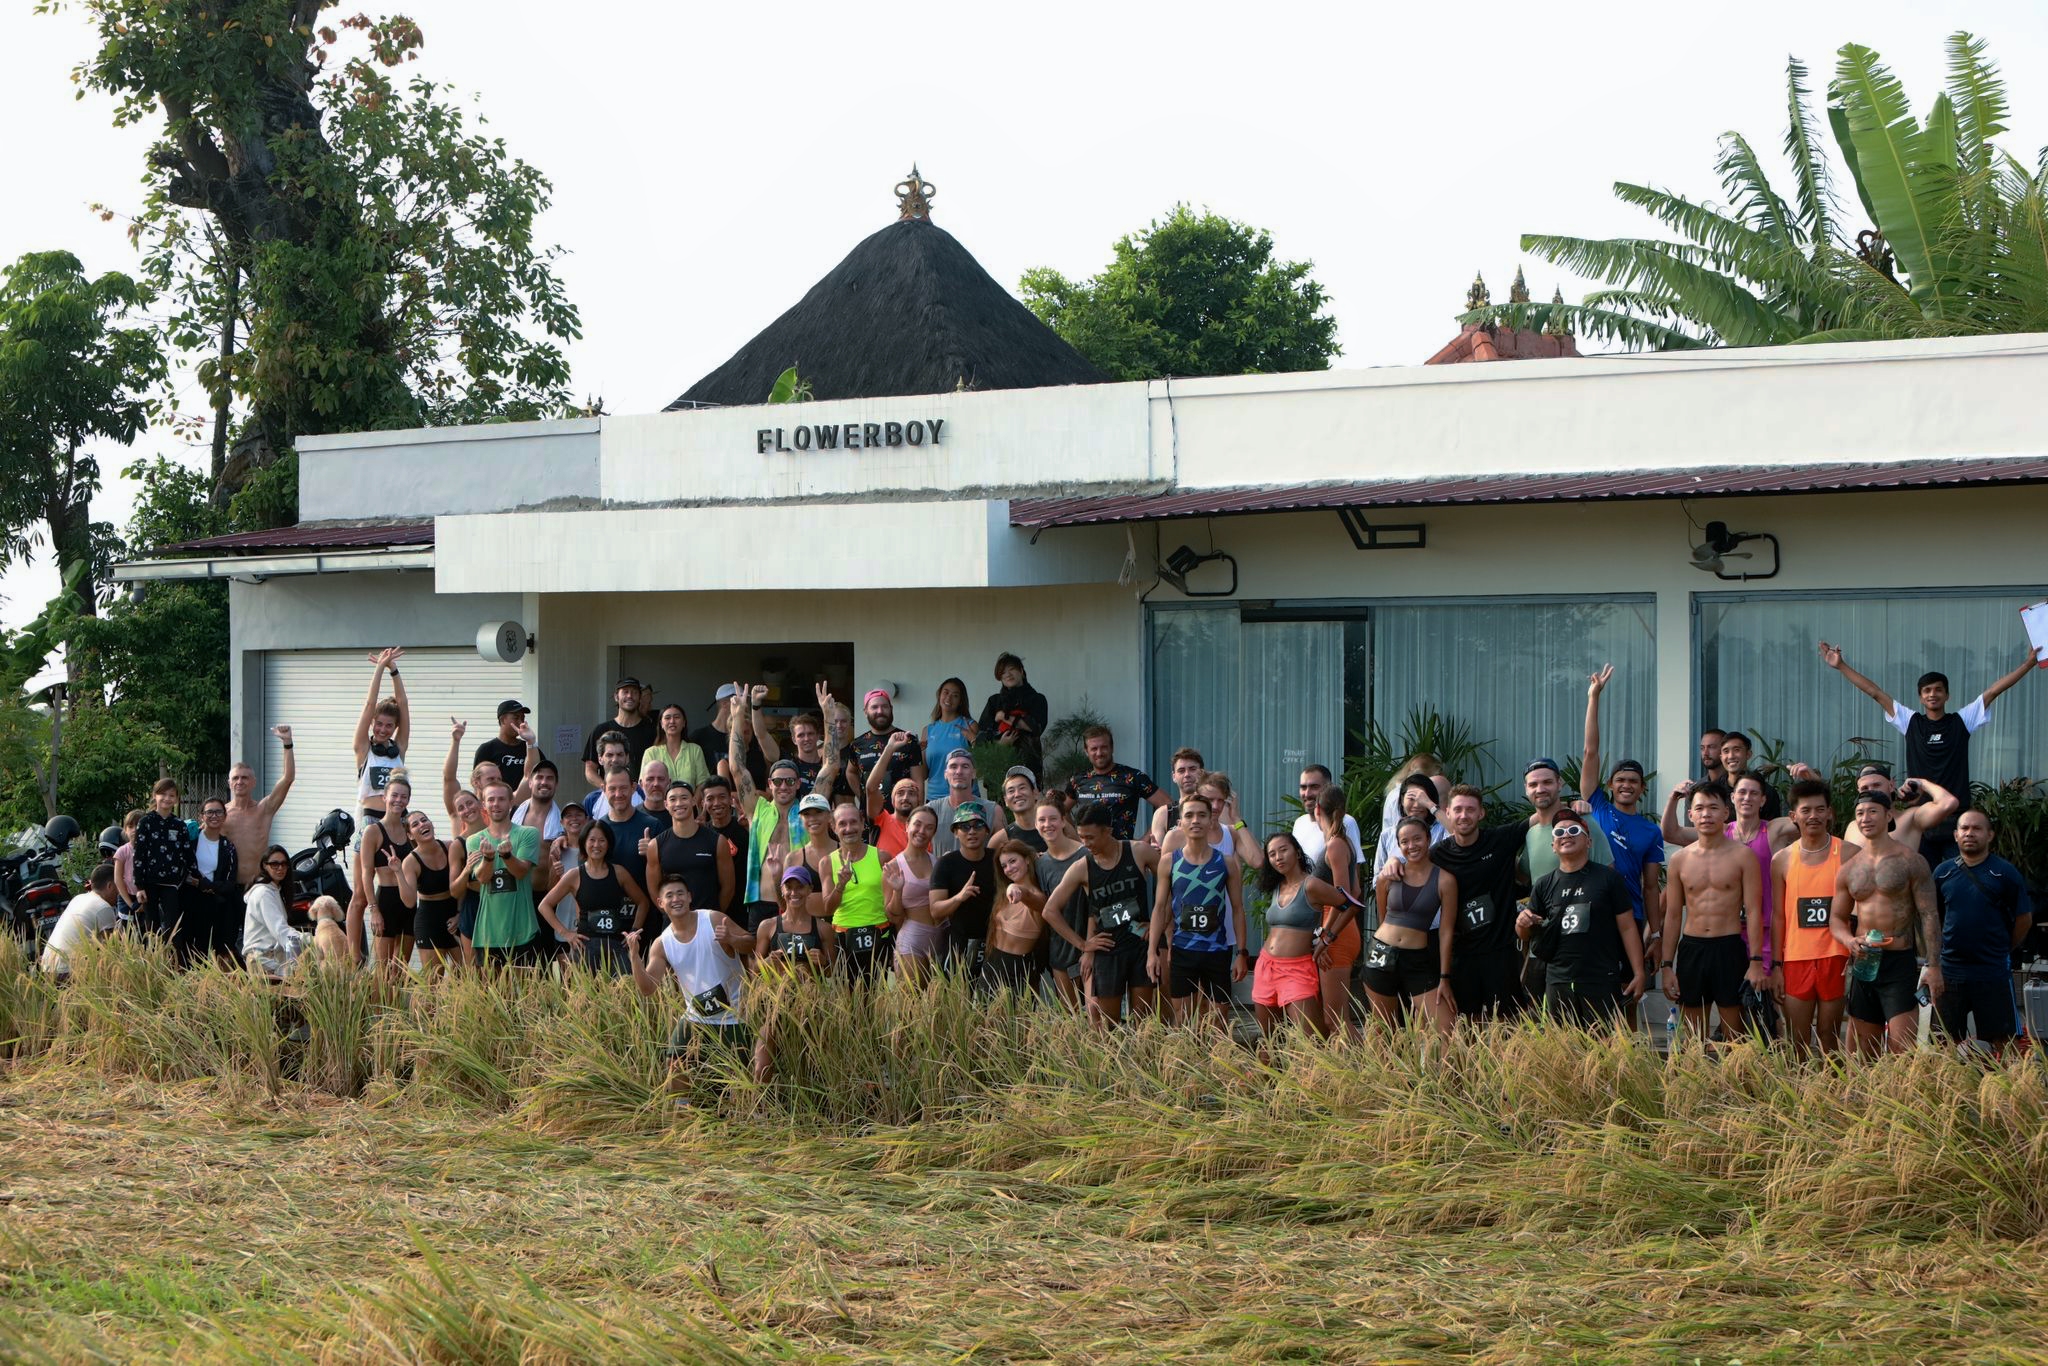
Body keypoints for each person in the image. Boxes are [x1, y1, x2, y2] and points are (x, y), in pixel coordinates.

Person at [1820, 639, 2042, 862]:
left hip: (1956, 818)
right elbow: (1875, 693)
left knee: (1956, 881)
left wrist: (2028, 663)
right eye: (1927, 690)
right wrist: (1841, 666)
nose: (1932, 694)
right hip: (1922, 819)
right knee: (1923, 882)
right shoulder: (1911, 722)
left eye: (1938, 690)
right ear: (1920, 697)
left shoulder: (1962, 721)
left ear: (1947, 695)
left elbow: (1994, 691)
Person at [1830, 789, 1938, 1056]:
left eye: (1872, 811)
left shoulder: (1911, 861)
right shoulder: (1849, 868)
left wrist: (1934, 965)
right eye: (1859, 814)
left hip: (1899, 960)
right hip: (1865, 960)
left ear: (1889, 815)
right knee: (1866, 1050)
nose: (1865, 818)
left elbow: (1929, 915)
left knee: (1903, 1048)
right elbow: (1836, 919)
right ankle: (1868, 1098)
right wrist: (1849, 940)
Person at [1663, 772, 1790, 991]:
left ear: (1763, 799)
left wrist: (1810, 781)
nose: (1747, 798)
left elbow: (1810, 818)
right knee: (1700, 1014)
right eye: (1742, 792)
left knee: (1762, 1005)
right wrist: (1673, 799)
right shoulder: (1715, 831)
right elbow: (1671, 833)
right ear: (1732, 799)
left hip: (1760, 929)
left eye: (1753, 793)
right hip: (1711, 936)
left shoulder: (1772, 831)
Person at [1660, 781, 1765, 1045]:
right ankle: (1697, 1085)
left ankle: (1734, 1086)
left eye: (1713, 808)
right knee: (1693, 1038)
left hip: (1729, 948)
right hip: (1692, 948)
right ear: (1690, 815)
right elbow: (1672, 915)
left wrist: (1755, 961)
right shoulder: (1679, 860)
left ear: (1725, 813)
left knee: (1736, 1037)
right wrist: (1666, 966)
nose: (1706, 814)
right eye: (1700, 808)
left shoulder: (1743, 856)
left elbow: (1754, 911)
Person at [1040, 802, 1163, 1027]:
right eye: (1081, 837)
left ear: (1108, 830)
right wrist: (1083, 944)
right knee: (1107, 1025)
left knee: (1145, 1024)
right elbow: (1049, 910)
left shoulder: (1138, 851)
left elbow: (1170, 889)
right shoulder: (1082, 867)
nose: (1086, 844)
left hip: (1140, 946)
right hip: (1108, 950)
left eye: (1091, 837)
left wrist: (1158, 925)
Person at [1518, 819, 1646, 1028]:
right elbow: (1526, 936)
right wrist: (1522, 923)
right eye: (1559, 832)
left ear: (1589, 842)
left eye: (1574, 830)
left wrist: (1639, 972)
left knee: (1604, 1047)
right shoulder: (1543, 884)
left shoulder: (1609, 878)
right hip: (1558, 979)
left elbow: (1627, 927)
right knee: (1565, 1049)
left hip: (1600, 977)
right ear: (1553, 846)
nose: (1566, 834)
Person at [1930, 808, 2034, 1055]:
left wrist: (2004, 948)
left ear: (1990, 835)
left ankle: (2009, 1089)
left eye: (1977, 828)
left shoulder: (2005, 873)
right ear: (1955, 835)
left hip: (1992, 970)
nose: (1970, 833)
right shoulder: (1942, 873)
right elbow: (1933, 919)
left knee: (2005, 1042)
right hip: (1950, 970)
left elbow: (2024, 919)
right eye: (1964, 828)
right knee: (1944, 1042)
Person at [1768, 779, 1853, 1058]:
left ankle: (1831, 1096)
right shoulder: (1781, 859)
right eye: (1806, 810)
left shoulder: (1850, 854)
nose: (1813, 816)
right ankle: (1799, 1098)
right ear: (1794, 816)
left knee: (1830, 1036)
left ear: (1830, 812)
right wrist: (1777, 966)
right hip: (1796, 958)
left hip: (1835, 956)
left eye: (1820, 809)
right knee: (1797, 1038)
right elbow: (1779, 916)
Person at [1147, 794, 1247, 1028]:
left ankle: (1218, 1064)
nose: (1195, 821)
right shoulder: (1169, 861)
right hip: (1183, 950)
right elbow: (1160, 908)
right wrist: (1152, 951)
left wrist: (1242, 953)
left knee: (1219, 1022)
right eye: (1189, 815)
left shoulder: (1227, 861)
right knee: (1182, 1020)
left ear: (1211, 819)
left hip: (1217, 950)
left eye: (1201, 815)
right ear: (1180, 821)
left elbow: (1238, 908)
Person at [1428, 785, 1528, 1021]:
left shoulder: (1500, 839)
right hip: (1461, 955)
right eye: (1459, 809)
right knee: (1467, 1025)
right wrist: (1392, 865)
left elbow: (1540, 817)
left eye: (1470, 810)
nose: (1464, 815)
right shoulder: (1437, 854)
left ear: (1481, 813)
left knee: (1508, 1024)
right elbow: (1411, 869)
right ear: (1448, 813)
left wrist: (1576, 807)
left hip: (1500, 952)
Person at [1579, 665, 1667, 934]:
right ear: (1610, 785)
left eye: (1633, 782)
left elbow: (1651, 886)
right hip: (1593, 909)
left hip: (1631, 914)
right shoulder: (1597, 807)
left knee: (1631, 978)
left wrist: (1655, 933)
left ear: (1642, 788)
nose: (1626, 785)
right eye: (1620, 780)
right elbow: (1590, 751)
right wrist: (1594, 697)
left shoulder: (1652, 831)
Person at [628, 877, 750, 1065]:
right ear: (660, 903)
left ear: (689, 897)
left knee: (737, 1078)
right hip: (696, 1016)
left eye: (680, 893)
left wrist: (732, 938)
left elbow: (752, 944)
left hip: (734, 1016)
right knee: (674, 1064)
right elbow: (647, 989)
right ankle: (682, 1097)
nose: (676, 899)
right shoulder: (662, 943)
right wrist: (635, 957)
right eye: (669, 895)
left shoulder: (712, 919)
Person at [1252, 833, 1357, 1038]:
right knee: (1269, 1039)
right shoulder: (1277, 887)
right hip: (1266, 966)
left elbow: (1348, 905)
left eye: (1283, 850)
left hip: (1296, 969)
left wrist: (1326, 939)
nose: (1278, 857)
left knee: (1312, 1040)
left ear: (1297, 852)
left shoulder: (1311, 885)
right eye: (1272, 854)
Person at [1365, 819, 1458, 1034]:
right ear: (1398, 845)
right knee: (1383, 1031)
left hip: (1417, 960)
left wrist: (1445, 977)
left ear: (1428, 839)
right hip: (1381, 954)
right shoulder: (1388, 876)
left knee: (1446, 1028)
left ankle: (1444, 1069)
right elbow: (1383, 916)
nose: (1411, 845)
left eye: (1417, 838)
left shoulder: (1445, 880)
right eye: (1404, 841)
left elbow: (1446, 931)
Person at [450, 779, 542, 970]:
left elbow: (520, 872)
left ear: (510, 803)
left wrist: (507, 855)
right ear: (484, 804)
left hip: (522, 929)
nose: (496, 804)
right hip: (488, 932)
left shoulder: (528, 833)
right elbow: (482, 878)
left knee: (527, 995)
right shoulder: (475, 840)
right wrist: (489, 859)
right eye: (491, 800)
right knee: (495, 994)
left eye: (501, 799)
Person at [539, 821, 651, 975]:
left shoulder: (619, 873)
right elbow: (544, 905)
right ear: (584, 843)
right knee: (585, 996)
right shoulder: (574, 875)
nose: (596, 845)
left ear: (608, 844)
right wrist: (566, 933)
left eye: (602, 840)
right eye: (591, 840)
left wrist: (634, 931)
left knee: (623, 995)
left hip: (617, 947)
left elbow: (643, 902)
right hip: (585, 948)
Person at [639, 780, 733, 924]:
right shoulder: (656, 845)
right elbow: (654, 890)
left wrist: (712, 917)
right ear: (666, 805)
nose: (678, 803)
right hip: (672, 925)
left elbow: (728, 887)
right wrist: (673, 916)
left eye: (684, 798)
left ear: (694, 801)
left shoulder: (717, 841)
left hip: (708, 924)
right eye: (673, 799)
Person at [1028, 795, 1090, 1012]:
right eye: (1042, 820)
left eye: (1053, 819)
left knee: (1096, 1017)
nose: (1048, 825)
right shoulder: (1040, 864)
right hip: (1061, 948)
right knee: (1069, 1015)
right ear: (1035, 825)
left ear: (1063, 821)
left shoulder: (1085, 855)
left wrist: (1087, 945)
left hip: (1091, 943)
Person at [1311, 786, 1363, 1034]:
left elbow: (1341, 898)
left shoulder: (1335, 845)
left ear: (1317, 809)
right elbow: (1356, 893)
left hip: (1335, 931)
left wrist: (1324, 935)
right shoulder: (1343, 842)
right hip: (1342, 928)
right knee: (1331, 1019)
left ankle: (1367, 1071)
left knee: (1336, 1020)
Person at [822, 800, 893, 983]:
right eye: (842, 824)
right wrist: (841, 885)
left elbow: (892, 903)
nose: (849, 828)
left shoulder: (882, 857)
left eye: (853, 822)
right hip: (844, 935)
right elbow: (828, 908)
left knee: (878, 996)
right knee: (848, 999)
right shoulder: (827, 862)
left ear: (862, 824)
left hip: (879, 933)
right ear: (834, 828)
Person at [1060, 726, 1166, 842]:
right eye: (1094, 749)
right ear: (1086, 751)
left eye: (1104, 747)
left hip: (1123, 853)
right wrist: (1075, 838)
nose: (1099, 753)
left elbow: (1167, 805)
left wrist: (1144, 841)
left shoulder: (1132, 777)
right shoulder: (1077, 780)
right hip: (1088, 853)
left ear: (1112, 748)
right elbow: (1061, 810)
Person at [357, 775, 417, 976]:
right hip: (386, 901)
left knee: (400, 969)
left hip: (408, 903)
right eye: (394, 795)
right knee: (382, 971)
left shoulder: (410, 831)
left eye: (404, 797)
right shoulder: (373, 831)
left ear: (408, 800)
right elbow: (366, 873)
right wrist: (373, 909)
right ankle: (378, 1008)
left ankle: (396, 1008)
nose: (398, 800)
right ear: (384, 797)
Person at [931, 805, 998, 981]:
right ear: (955, 832)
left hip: (995, 943)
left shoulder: (998, 860)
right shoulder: (946, 864)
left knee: (993, 1001)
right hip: (959, 945)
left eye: (978, 825)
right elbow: (936, 911)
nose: (972, 832)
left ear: (987, 831)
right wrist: (958, 898)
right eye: (965, 826)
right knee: (958, 1001)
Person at [223, 726, 295, 888]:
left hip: (258, 885)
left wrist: (287, 742)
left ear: (253, 782)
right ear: (229, 783)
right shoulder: (221, 814)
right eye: (235, 778)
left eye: (245, 778)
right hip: (229, 887)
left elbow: (288, 778)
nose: (240, 781)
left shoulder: (264, 810)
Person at [1523, 758, 1615, 884]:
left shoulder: (1582, 822)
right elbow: (1524, 876)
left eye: (1547, 782)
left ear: (1559, 783)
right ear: (1526, 789)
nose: (1540, 790)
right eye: (1533, 784)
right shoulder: (1530, 833)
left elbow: (1609, 875)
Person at [131, 778, 195, 951]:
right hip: (149, 883)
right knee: (152, 928)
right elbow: (139, 855)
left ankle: (174, 964)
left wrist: (193, 876)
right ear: (154, 796)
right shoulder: (146, 822)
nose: (167, 798)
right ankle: (152, 964)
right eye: (163, 794)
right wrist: (139, 886)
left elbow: (187, 853)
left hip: (171, 884)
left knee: (173, 927)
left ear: (176, 799)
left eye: (171, 795)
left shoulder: (179, 825)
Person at [399, 809, 463, 976]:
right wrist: (398, 872)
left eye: (424, 820)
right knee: (432, 982)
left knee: (466, 976)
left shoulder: (450, 847)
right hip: (429, 921)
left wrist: (460, 913)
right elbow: (409, 902)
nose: (422, 824)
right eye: (415, 824)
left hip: (454, 916)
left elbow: (465, 884)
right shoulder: (410, 862)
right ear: (410, 835)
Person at [352, 648, 411, 826]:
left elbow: (403, 704)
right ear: (372, 723)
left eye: (389, 725)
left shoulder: (398, 748)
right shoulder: (364, 749)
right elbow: (370, 704)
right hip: (369, 819)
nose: (383, 730)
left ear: (395, 727)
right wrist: (379, 668)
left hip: (398, 821)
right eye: (379, 724)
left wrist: (393, 670)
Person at [884, 807, 943, 978]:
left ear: (934, 832)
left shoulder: (938, 863)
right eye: (917, 824)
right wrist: (898, 890)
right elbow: (892, 916)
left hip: (943, 936)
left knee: (943, 1001)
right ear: (907, 826)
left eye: (929, 827)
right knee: (914, 999)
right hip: (913, 939)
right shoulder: (893, 867)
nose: (922, 831)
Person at [986, 843, 1048, 995]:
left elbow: (1028, 896)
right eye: (1004, 866)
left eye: (1013, 861)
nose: (1009, 869)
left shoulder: (1038, 897)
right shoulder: (1003, 896)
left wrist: (1015, 888)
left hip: (1016, 971)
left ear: (1027, 860)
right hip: (990, 966)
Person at [978, 652, 1049, 780]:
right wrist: (1000, 743)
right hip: (999, 766)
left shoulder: (1037, 699)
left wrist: (1004, 717)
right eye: (1003, 672)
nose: (1008, 675)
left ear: (1021, 671)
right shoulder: (994, 701)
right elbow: (982, 735)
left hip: (1029, 766)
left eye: (1011, 669)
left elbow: (1036, 727)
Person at [39, 864, 120, 976]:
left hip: (48, 968)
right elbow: (113, 951)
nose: (119, 892)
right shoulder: (103, 907)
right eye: (118, 886)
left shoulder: (78, 898)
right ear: (110, 886)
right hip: (67, 972)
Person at [190, 795, 242, 962]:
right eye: (209, 812)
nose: (214, 816)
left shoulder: (228, 847)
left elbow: (229, 884)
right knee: (193, 950)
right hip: (192, 902)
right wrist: (198, 884)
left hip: (218, 904)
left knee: (219, 951)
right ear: (201, 816)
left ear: (225, 816)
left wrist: (206, 885)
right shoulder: (191, 840)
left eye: (219, 812)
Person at [240, 846, 306, 977]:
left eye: (284, 864)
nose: (280, 868)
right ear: (265, 866)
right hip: (263, 961)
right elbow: (280, 930)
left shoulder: (275, 890)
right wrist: (310, 940)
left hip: (271, 958)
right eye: (274, 864)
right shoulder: (264, 893)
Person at [850, 688, 925, 802]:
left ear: (891, 709)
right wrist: (864, 798)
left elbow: (918, 783)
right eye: (874, 707)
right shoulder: (857, 744)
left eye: (884, 706)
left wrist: (917, 814)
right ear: (865, 711)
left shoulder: (908, 741)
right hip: (870, 816)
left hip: (902, 815)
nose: (880, 711)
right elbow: (850, 772)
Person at [582, 675, 658, 787]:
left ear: (640, 697)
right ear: (616, 697)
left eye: (634, 692)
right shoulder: (601, 730)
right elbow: (590, 769)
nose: (630, 696)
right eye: (625, 692)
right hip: (610, 798)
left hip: (642, 797)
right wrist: (606, 787)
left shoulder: (652, 731)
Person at [1370, 775, 1446, 884]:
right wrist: (1390, 867)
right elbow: (1377, 880)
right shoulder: (1388, 834)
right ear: (1402, 800)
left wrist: (1430, 805)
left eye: (1422, 799)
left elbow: (1457, 834)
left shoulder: (1441, 829)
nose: (1416, 805)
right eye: (1411, 798)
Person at [929, 750, 996, 858]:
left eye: (965, 766)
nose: (959, 772)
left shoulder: (993, 810)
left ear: (974, 773)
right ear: (945, 774)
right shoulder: (931, 811)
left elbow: (1003, 852)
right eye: (953, 766)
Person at [1294, 765, 1363, 869]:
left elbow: (1354, 871)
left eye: (1314, 787)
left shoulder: (1346, 821)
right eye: (1303, 787)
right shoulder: (1299, 823)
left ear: (1328, 788)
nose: (1307, 794)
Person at [593, 765, 664, 865]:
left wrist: (654, 853)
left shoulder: (653, 826)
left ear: (633, 788)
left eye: (623, 788)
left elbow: (667, 868)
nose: (618, 794)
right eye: (612, 789)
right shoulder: (597, 829)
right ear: (604, 789)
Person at [922, 677, 978, 802]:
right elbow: (923, 775)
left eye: (955, 695)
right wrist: (917, 752)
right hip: (935, 799)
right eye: (946, 692)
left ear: (960, 701)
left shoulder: (970, 725)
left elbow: (981, 766)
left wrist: (973, 739)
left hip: (966, 798)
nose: (949, 698)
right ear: (939, 695)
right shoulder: (928, 730)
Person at [474, 700, 541, 795]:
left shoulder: (529, 748)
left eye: (523, 718)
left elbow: (540, 775)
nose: (521, 723)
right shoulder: (487, 749)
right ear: (502, 720)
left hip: (525, 805)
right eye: (516, 718)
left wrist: (531, 741)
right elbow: (477, 785)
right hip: (497, 805)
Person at [1713, 733, 1782, 822]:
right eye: (1726, 751)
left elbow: (1773, 830)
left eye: (1737, 750)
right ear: (1721, 757)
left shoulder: (1766, 791)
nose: (1731, 756)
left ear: (1748, 754)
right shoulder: (1713, 790)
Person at [642, 703, 711, 791]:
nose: (672, 721)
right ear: (661, 724)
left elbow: (703, 783)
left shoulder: (695, 750)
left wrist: (692, 802)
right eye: (667, 718)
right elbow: (644, 784)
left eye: (677, 717)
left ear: (684, 723)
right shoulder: (651, 753)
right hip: (661, 804)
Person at [1147, 747, 1206, 846]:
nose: (1187, 774)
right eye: (1181, 770)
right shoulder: (1163, 814)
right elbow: (1159, 857)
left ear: (1202, 772)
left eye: (1192, 769)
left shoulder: (1215, 808)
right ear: (1174, 776)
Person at [991, 766, 1048, 855]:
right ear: (1005, 800)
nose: (1017, 794)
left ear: (1035, 793)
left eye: (1022, 788)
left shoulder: (1056, 826)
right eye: (1011, 791)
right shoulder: (1000, 839)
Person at [512, 759, 566, 843]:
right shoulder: (512, 814)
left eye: (550, 778)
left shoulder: (563, 823)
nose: (544, 782)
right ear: (530, 783)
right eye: (539, 777)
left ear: (556, 784)